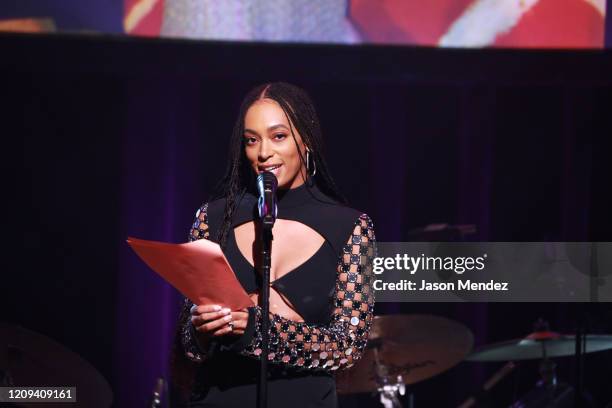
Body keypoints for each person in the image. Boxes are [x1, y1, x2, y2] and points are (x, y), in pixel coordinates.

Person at [171, 82, 376, 407]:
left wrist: (260, 330)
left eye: (278, 136)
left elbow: (348, 349)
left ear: (305, 138)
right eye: (252, 140)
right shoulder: (212, 218)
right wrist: (202, 328)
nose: (263, 152)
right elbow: (188, 344)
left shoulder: (350, 227)